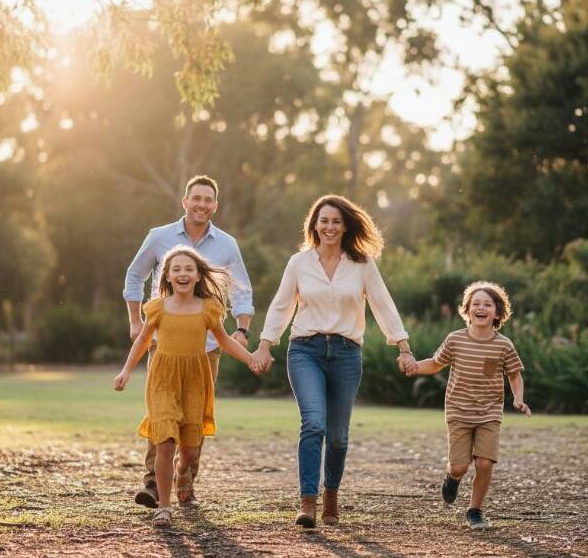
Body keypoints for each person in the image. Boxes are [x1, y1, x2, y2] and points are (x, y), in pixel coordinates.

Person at [253, 194, 415, 528]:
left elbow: (383, 304)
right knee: (313, 424)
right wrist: (265, 344)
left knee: (338, 436)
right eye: (323, 220)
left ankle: (331, 496)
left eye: (336, 221)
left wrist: (403, 345)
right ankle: (307, 502)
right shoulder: (299, 263)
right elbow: (282, 305)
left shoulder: (362, 264)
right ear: (314, 224)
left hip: (345, 354)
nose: (329, 226)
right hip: (305, 350)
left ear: (345, 226)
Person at [123, 175, 255, 508]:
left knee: (195, 414)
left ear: (215, 205)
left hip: (207, 346)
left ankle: (186, 482)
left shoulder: (226, 244)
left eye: (208, 200)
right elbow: (134, 275)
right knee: (162, 412)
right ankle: (153, 483)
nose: (201, 204)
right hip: (163, 340)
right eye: (196, 198)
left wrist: (243, 328)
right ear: (185, 201)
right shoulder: (159, 237)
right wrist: (136, 321)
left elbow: (242, 289)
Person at [114, 246, 262, 525]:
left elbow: (225, 341)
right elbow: (143, 341)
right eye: (176, 269)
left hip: (195, 378)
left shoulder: (208, 308)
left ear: (197, 276)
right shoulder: (157, 307)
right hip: (162, 378)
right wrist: (126, 372)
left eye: (188, 269)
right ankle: (164, 507)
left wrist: (250, 359)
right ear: (167, 276)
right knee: (165, 440)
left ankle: (184, 472)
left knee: (190, 449)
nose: (182, 273)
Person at [403, 281, 532, 529]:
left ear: (497, 312)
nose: (481, 308)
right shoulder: (455, 340)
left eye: (487, 304)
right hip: (459, 411)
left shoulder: (503, 345)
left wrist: (518, 398)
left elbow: (514, 374)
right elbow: (436, 363)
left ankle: (475, 511)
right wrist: (415, 366)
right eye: (476, 304)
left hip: (489, 412)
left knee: (484, 463)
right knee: (461, 466)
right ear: (467, 310)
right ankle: (452, 476)